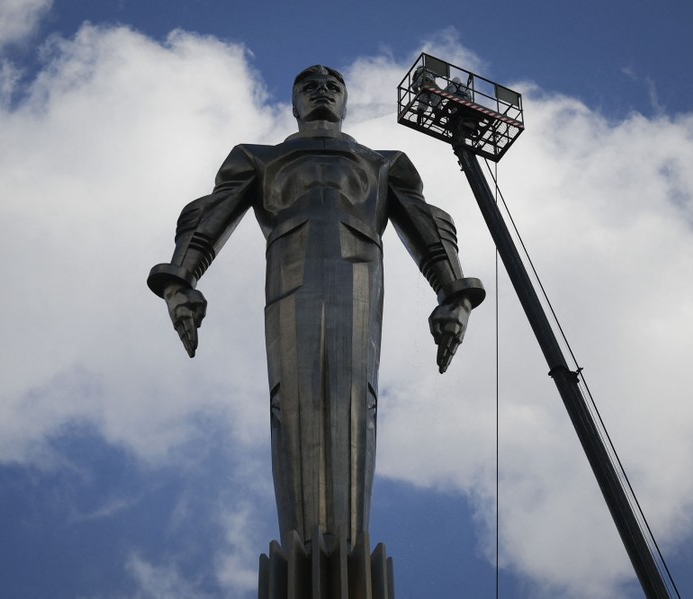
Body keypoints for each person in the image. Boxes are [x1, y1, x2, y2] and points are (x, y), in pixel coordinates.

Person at [148, 65, 484, 550]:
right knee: (292, 398)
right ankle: (305, 547)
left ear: (345, 100)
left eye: (333, 86)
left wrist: (455, 293)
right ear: (294, 104)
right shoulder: (259, 159)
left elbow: (430, 228)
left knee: (356, 400)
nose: (322, 90)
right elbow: (207, 217)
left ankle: (346, 548)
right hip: (289, 278)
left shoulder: (384, 163)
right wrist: (179, 282)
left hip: (360, 278)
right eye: (308, 86)